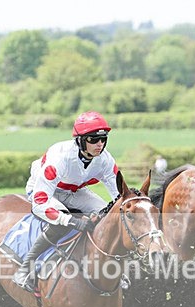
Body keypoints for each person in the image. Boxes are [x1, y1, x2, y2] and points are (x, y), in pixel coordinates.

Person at [13, 111, 121, 292]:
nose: (100, 144)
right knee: (61, 223)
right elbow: (40, 204)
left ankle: (112, 268)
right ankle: (25, 268)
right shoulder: (60, 159)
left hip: (74, 191)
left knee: (108, 216)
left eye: (103, 139)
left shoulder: (105, 159)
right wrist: (72, 221)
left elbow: (119, 196)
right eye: (93, 139)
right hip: (45, 192)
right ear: (80, 140)